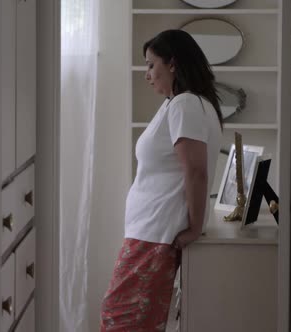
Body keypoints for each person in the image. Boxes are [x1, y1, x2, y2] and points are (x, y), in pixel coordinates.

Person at [100, 29, 224, 331]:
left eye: (151, 64)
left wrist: (195, 226)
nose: (147, 74)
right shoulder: (180, 103)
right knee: (135, 320)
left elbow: (195, 170)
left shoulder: (186, 105)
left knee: (120, 317)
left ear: (172, 64)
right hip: (150, 230)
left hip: (156, 233)